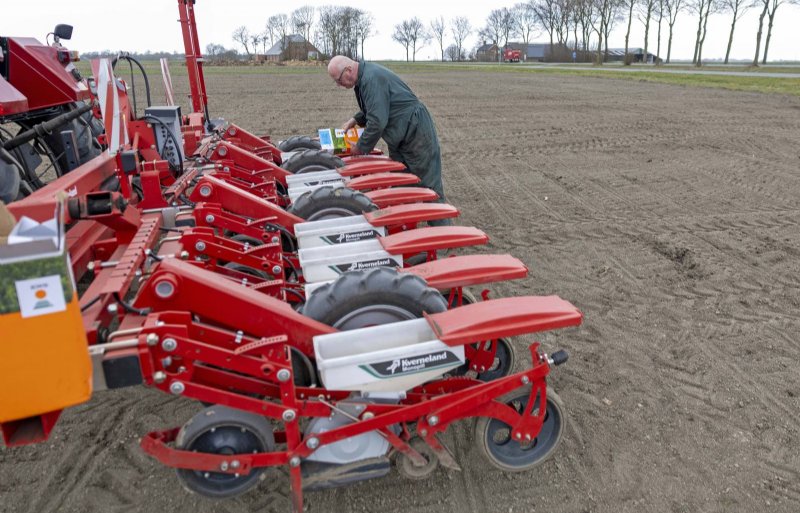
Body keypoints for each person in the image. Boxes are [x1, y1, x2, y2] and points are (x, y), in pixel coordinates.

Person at [327, 56, 452, 226]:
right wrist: (354, 120)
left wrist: (360, 148)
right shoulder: (363, 79)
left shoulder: (371, 79)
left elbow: (378, 121)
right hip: (401, 136)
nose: (338, 85)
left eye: (338, 80)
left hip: (416, 133)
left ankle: (443, 235)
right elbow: (375, 107)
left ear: (348, 71)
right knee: (402, 182)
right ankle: (404, 227)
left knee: (429, 185)